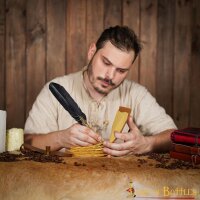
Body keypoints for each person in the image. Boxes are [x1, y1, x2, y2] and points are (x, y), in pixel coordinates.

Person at [24, 25, 177, 156]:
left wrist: (147, 144)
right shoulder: (57, 88)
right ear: (92, 52)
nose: (110, 76)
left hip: (121, 185)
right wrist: (60, 138)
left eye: (121, 70)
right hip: (63, 183)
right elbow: (27, 142)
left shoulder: (136, 94)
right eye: (106, 63)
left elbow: (173, 138)